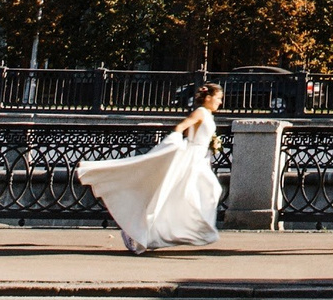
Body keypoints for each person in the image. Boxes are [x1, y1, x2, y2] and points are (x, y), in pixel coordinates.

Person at [78, 82, 225, 252]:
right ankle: (148, 231)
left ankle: (187, 231)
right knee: (195, 192)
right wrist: (176, 143)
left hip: (200, 159)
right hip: (191, 158)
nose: (220, 102)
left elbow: (194, 132)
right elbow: (181, 128)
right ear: (208, 98)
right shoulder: (200, 112)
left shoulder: (208, 114)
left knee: (208, 191)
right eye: (218, 98)